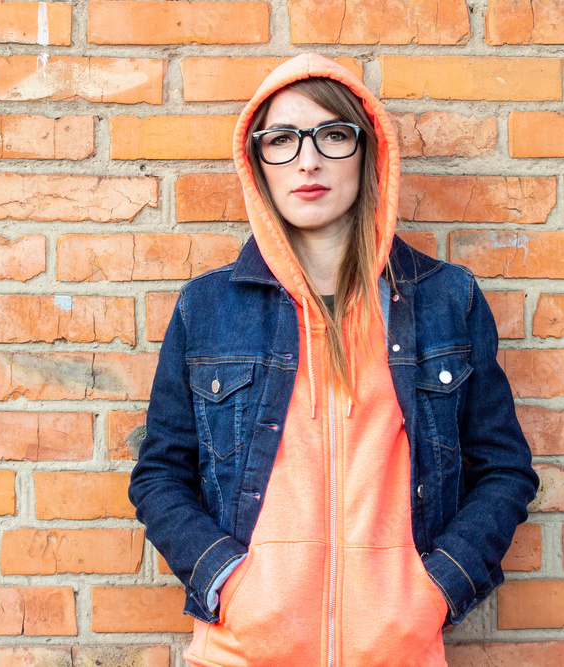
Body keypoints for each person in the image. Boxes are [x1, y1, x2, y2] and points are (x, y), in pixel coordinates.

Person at [128, 53, 539, 667]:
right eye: (282, 140)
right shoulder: (209, 308)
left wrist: (434, 593)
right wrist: (231, 585)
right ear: (256, 162)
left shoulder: (445, 300)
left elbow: (504, 470)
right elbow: (160, 475)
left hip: (397, 652)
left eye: (333, 135)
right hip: (242, 652)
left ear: (369, 151)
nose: (308, 159)